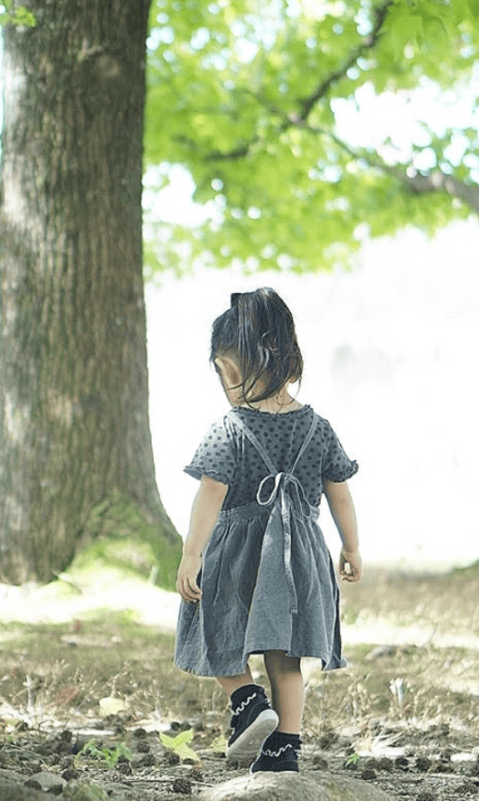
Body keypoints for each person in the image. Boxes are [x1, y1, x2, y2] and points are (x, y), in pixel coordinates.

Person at [174, 287, 363, 774]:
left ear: (229, 369)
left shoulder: (229, 429)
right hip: (297, 560)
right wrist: (352, 547)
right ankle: (285, 747)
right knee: (287, 656)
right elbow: (340, 491)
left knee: (213, 628)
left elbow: (209, 497)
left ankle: (247, 700)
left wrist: (192, 554)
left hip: (238, 555)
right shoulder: (318, 427)